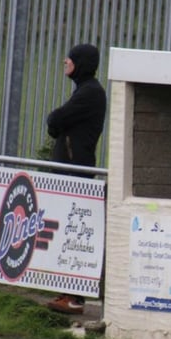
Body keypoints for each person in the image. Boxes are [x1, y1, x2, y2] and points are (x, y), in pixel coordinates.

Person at [45, 43, 106, 316]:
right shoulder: (84, 91)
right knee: (67, 232)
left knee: (75, 233)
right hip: (70, 171)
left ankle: (74, 297)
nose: (64, 61)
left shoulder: (90, 93)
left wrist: (56, 123)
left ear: (81, 62)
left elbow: (56, 118)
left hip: (75, 172)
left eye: (70, 57)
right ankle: (67, 291)